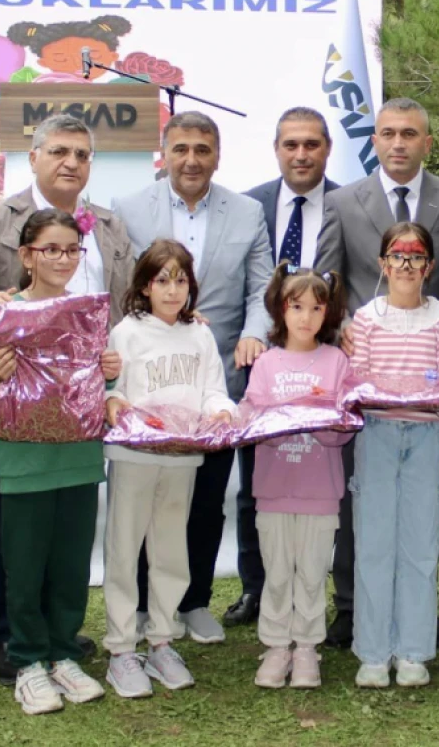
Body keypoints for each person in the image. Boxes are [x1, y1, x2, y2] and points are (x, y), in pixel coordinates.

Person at [0, 113, 135, 685]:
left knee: (67, 536)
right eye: (58, 151)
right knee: (8, 529)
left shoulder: (109, 225)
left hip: (82, 413)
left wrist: (113, 369)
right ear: (32, 157)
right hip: (19, 415)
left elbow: (124, 303)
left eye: (81, 153)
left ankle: (58, 635)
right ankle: (7, 635)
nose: (70, 162)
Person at [318, 96, 439, 649]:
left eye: (410, 133)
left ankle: (419, 611)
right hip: (368, 381)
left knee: (422, 498)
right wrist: (337, 330)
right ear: (375, 140)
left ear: (427, 142)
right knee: (359, 498)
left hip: (430, 375)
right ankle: (352, 606)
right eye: (388, 133)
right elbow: (326, 280)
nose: (399, 143)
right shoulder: (342, 201)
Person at [117, 111, 273, 646]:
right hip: (149, 388)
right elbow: (123, 289)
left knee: (206, 499)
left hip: (216, 379)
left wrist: (254, 334)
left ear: (217, 155)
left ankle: (195, 600)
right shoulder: (130, 208)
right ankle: (141, 605)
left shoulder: (249, 212)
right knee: (145, 499)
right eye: (180, 148)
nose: (191, 159)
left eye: (202, 149)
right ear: (164, 152)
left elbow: (261, 289)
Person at [0, 209, 110, 716]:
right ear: (26, 256)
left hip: (80, 462)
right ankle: (27, 662)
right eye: (51, 249)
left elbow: (92, 389)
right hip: (22, 466)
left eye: (72, 250)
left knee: (69, 567)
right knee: (23, 570)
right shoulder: (1, 315)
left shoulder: (87, 313)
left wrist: (109, 373)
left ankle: (64, 653)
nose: (62, 259)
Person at [101, 240, 237, 699]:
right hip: (135, 459)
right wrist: (114, 402)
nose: (173, 289)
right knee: (124, 549)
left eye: (181, 280)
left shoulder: (198, 334)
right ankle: (121, 649)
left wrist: (221, 412)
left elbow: (212, 390)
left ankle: (161, 639)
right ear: (144, 284)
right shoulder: (127, 332)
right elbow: (111, 390)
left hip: (183, 458)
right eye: (163, 279)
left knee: (171, 552)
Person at [231, 107, 343, 629]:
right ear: (276, 149)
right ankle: (257, 589)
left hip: (325, 365)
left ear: (326, 149)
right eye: (291, 144)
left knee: (323, 481)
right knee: (257, 484)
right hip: (263, 361)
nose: (301, 154)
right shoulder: (251, 204)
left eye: (312, 144)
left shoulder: (347, 203)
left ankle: (324, 592)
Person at [345, 222, 439, 689]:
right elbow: (359, 383)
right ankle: (373, 652)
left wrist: (412, 394)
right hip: (375, 435)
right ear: (383, 263)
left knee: (419, 544)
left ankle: (414, 650)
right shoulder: (367, 318)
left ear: (429, 266)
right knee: (374, 544)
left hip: (424, 439)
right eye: (398, 257)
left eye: (417, 258)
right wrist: (408, 392)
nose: (407, 266)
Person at [245, 265, 354, 689]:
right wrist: (284, 416)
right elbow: (254, 421)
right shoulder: (266, 363)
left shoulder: (337, 361)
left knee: (311, 572)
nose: (305, 317)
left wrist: (312, 417)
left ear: (328, 312)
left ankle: (307, 648)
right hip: (272, 491)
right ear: (280, 309)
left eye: (315, 307)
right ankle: (275, 646)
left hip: (320, 492)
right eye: (296, 307)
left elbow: (340, 430)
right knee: (277, 572)